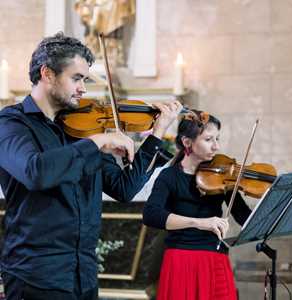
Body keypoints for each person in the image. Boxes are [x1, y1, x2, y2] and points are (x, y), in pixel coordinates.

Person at [0, 32, 182, 300]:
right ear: (47, 73)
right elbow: (35, 171)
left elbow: (124, 189)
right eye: (76, 78)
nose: (83, 88)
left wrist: (156, 135)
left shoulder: (81, 130)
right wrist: (97, 142)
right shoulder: (11, 123)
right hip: (36, 276)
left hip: (83, 274)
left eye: (84, 79)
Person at [143, 111, 252, 300]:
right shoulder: (169, 177)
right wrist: (200, 222)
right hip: (181, 260)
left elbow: (243, 217)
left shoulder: (221, 175)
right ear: (187, 142)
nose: (216, 146)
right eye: (209, 139)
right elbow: (151, 215)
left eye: (217, 139)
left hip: (215, 258)